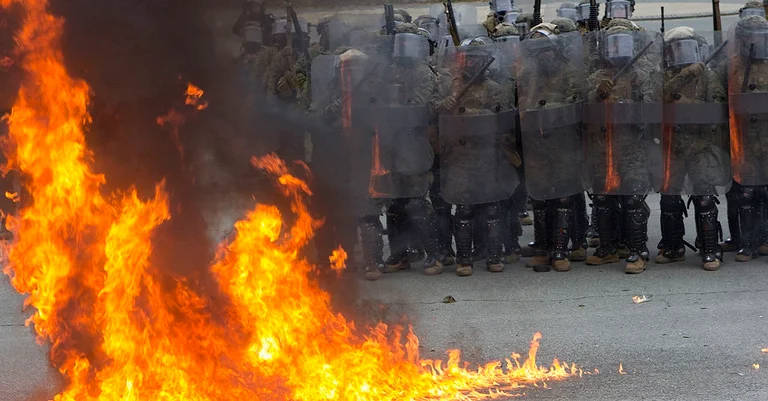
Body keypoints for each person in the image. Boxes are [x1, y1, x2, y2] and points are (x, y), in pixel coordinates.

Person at [433, 41, 519, 276]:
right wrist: (445, 104)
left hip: (487, 155)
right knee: (463, 209)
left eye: (478, 58)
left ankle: (494, 255)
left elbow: (503, 116)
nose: (474, 63)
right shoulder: (450, 86)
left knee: (492, 208)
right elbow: (433, 109)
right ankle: (464, 258)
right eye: (469, 58)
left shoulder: (494, 88)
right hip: (459, 157)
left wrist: (474, 114)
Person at [583, 26, 662, 274]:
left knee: (633, 198)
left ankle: (637, 251)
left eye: (623, 43)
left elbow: (651, 108)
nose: (617, 50)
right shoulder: (596, 78)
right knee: (603, 198)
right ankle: (607, 247)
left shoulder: (642, 77)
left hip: (633, 147)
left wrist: (626, 104)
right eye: (613, 44)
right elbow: (582, 110)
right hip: (604, 147)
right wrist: (597, 95)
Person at [657, 26, 729, 271]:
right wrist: (683, 76)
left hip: (701, 144)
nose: (682, 52)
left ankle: (710, 249)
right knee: (669, 198)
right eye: (676, 48)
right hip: (673, 145)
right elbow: (657, 98)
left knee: (705, 197)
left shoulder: (707, 76)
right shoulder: (665, 75)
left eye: (687, 46)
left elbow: (718, 105)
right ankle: (673, 247)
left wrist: (692, 104)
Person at [517, 21, 586, 272]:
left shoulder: (569, 71)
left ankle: (560, 250)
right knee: (540, 198)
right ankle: (544, 248)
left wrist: (547, 108)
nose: (543, 55)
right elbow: (520, 103)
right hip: (536, 143)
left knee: (563, 197)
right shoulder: (528, 75)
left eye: (546, 49)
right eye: (538, 51)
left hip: (563, 142)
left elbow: (576, 102)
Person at [727, 15, 768, 262]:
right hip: (744, 139)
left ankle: (765, 239)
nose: (755, 41)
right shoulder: (733, 66)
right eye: (750, 36)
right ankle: (748, 242)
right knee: (747, 191)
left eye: (760, 36)